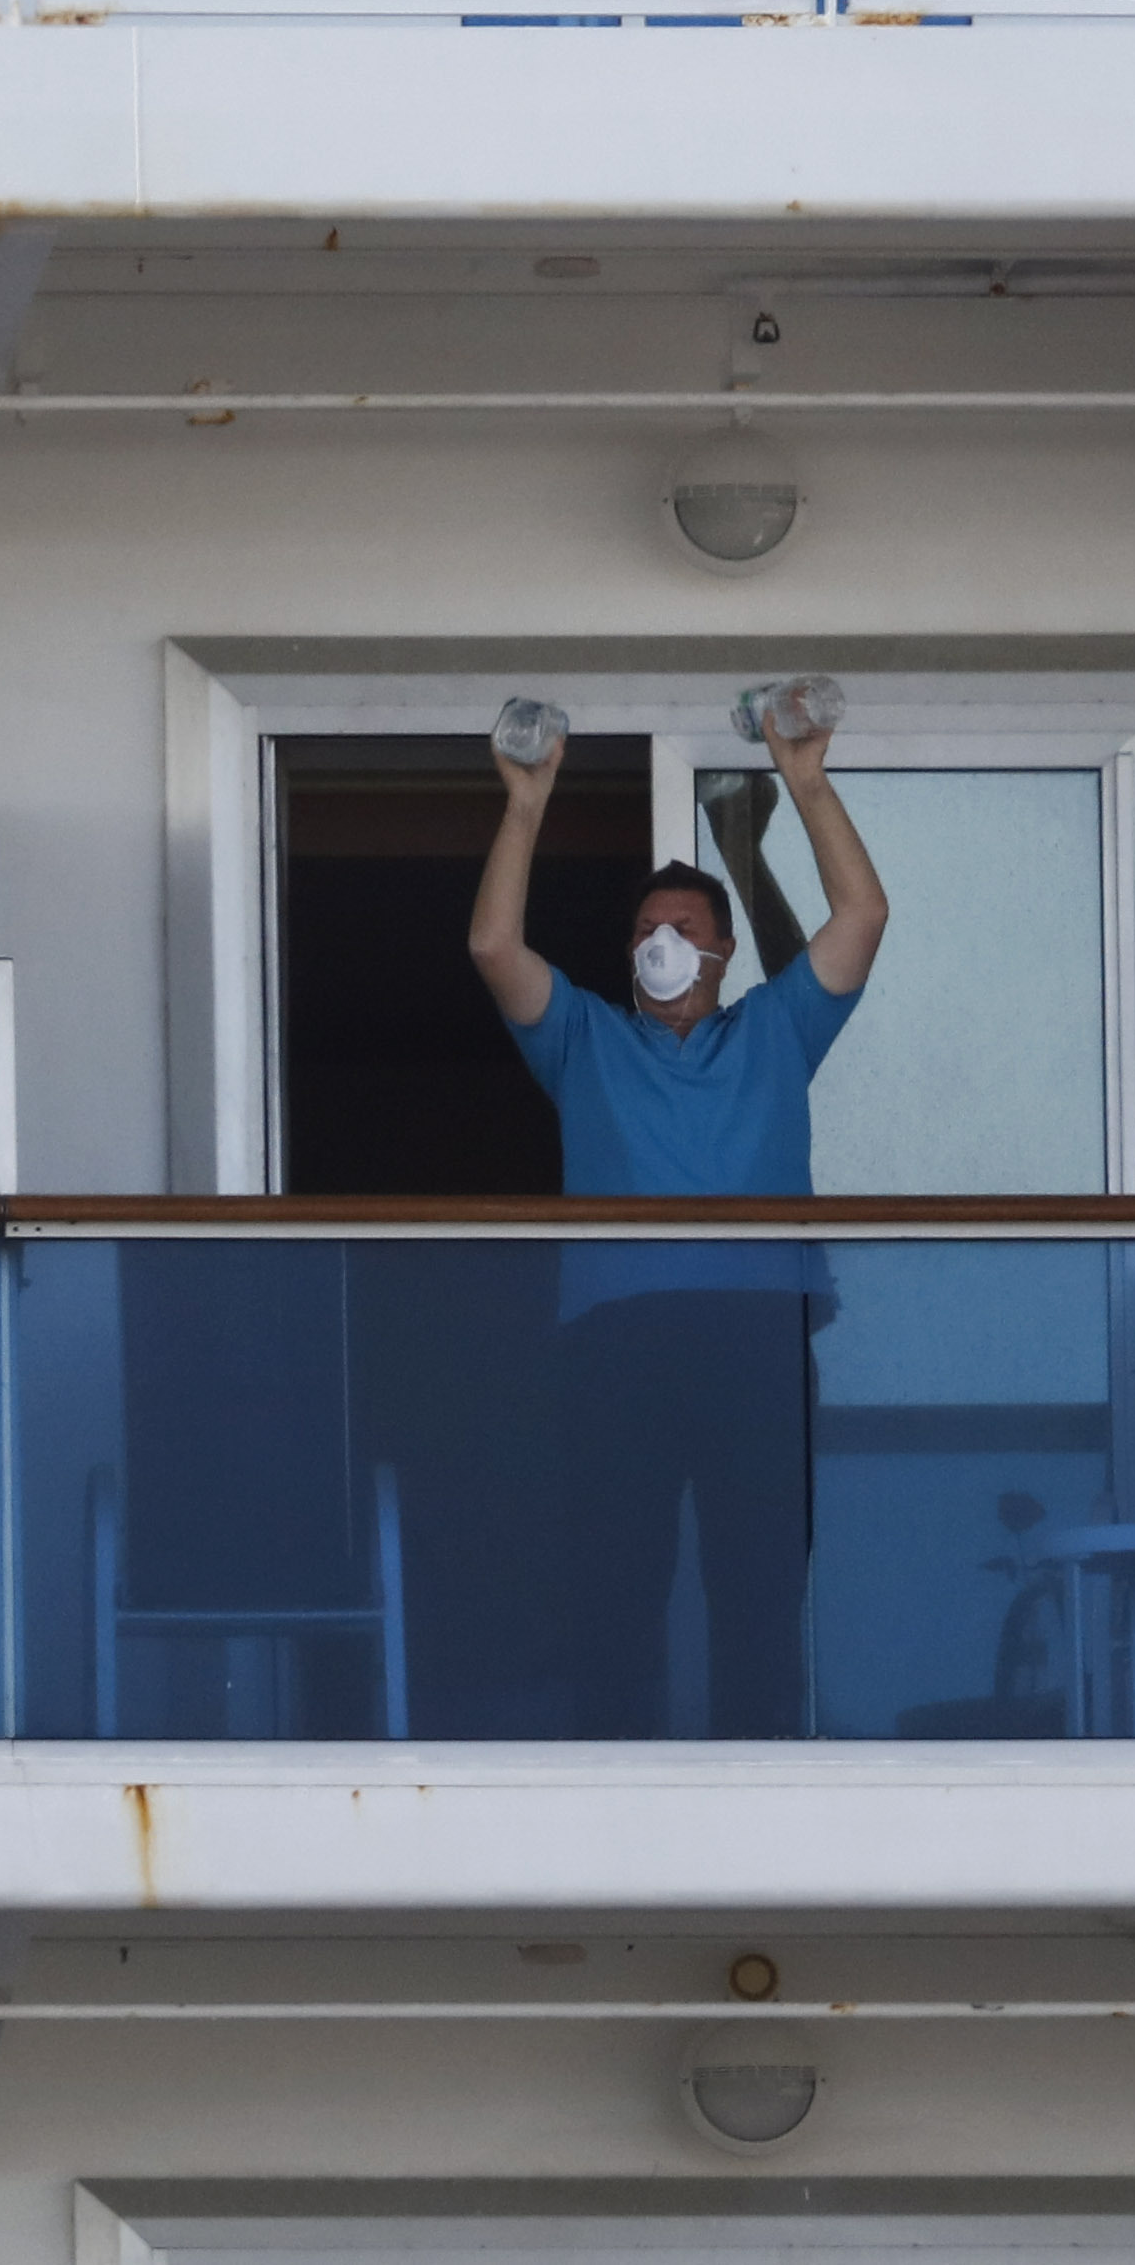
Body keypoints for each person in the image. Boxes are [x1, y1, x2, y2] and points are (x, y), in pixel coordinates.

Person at [467, 710, 888, 1735]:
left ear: (723, 951)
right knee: (616, 1586)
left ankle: (762, 1809)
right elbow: (492, 943)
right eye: (647, 932)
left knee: (757, 1592)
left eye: (684, 931)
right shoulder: (583, 1039)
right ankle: (621, 1807)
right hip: (619, 1339)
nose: (662, 945)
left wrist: (805, 781)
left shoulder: (777, 1029)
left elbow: (863, 916)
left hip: (759, 1336)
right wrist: (525, 805)